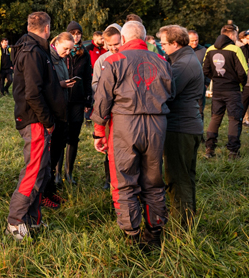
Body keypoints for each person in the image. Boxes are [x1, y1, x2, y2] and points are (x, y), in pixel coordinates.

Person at [91, 21, 174, 250]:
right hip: (157, 123)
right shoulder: (162, 61)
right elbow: (171, 92)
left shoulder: (114, 61)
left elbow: (102, 100)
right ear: (145, 37)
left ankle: (132, 234)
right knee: (154, 180)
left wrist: (99, 132)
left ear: (124, 38)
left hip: (125, 124)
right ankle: (154, 231)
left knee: (124, 181)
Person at [6, 12, 65, 241]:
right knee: (33, 170)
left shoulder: (33, 47)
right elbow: (32, 93)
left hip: (38, 119)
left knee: (42, 170)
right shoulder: (32, 51)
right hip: (36, 120)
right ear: (47, 28)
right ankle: (15, 221)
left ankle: (32, 219)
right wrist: (48, 121)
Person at [157, 25, 204, 227]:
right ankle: (188, 220)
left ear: (175, 44)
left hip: (180, 127)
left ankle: (181, 225)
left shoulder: (182, 64)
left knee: (177, 178)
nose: (161, 46)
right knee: (186, 176)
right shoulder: (185, 58)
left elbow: (165, 93)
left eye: (164, 43)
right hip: (188, 125)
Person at [203, 25, 248, 159]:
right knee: (234, 119)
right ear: (232, 35)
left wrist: (216, 79)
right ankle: (233, 152)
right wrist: (240, 83)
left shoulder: (210, 49)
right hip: (233, 90)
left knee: (215, 118)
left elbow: (205, 70)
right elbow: (243, 72)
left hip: (217, 89)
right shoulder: (235, 50)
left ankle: (209, 148)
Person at [43, 32, 77, 208]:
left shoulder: (61, 58)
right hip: (52, 111)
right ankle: (44, 193)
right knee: (48, 157)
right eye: (66, 49)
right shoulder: (47, 58)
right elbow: (46, 84)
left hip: (62, 108)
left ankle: (50, 190)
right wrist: (62, 84)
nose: (68, 53)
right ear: (56, 43)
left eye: (71, 50)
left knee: (57, 151)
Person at [58, 21, 93, 185]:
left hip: (78, 99)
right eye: (73, 33)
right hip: (62, 98)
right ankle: (57, 173)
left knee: (74, 136)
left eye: (79, 33)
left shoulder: (84, 53)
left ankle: (69, 172)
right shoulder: (61, 53)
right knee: (60, 136)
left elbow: (87, 77)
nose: (76, 36)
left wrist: (88, 98)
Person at [92, 24, 123, 190]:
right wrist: (104, 91)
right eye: (109, 46)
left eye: (116, 45)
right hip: (107, 110)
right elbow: (95, 83)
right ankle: (108, 178)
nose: (113, 48)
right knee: (108, 146)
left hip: (124, 111)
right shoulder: (102, 61)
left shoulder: (127, 57)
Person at [189, 30, 208, 119]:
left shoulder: (203, 51)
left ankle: (199, 130)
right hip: (187, 85)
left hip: (200, 84)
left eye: (196, 40)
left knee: (200, 110)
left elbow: (208, 67)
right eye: (192, 41)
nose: (195, 42)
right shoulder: (182, 50)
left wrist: (206, 82)